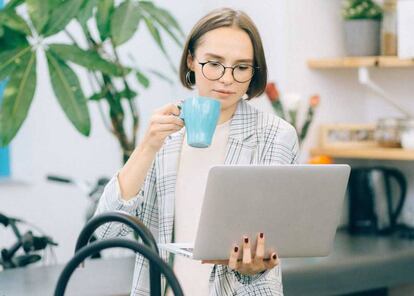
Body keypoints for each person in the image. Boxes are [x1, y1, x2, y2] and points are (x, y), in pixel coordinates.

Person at [95, 7, 299, 296]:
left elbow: (277, 240)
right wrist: (147, 146)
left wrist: (254, 264)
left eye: (241, 68)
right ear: (191, 60)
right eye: (214, 64)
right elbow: (104, 232)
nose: (227, 79)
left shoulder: (276, 136)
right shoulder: (164, 133)